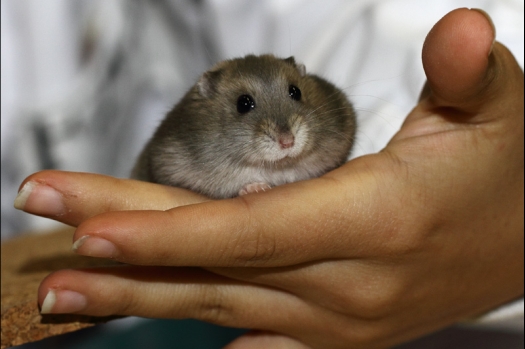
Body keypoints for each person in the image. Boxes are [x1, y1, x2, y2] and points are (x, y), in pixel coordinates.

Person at [9, 5, 524, 349]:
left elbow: (334, 23)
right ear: (208, 96)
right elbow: (170, 168)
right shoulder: (187, 141)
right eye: (247, 106)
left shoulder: (328, 116)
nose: (284, 132)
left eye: (295, 98)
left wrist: (474, 190)